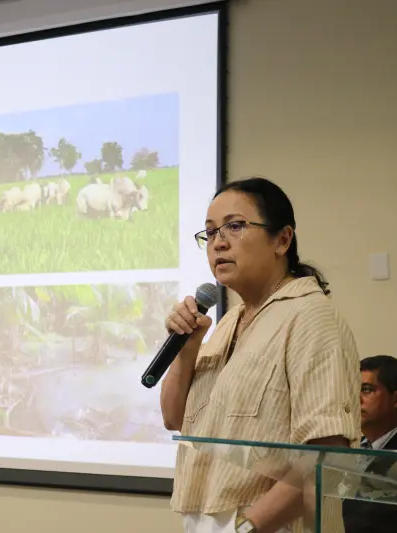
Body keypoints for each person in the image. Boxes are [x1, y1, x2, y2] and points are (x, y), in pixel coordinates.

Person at [160, 177, 362, 533]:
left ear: (282, 239)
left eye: (234, 226)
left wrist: (247, 528)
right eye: (210, 232)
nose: (218, 242)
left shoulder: (310, 316)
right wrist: (186, 350)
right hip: (209, 521)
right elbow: (175, 418)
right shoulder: (227, 322)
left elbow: (329, 457)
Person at [342, 355, 397, 533]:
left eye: (366, 389)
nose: (356, 399)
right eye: (353, 389)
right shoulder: (350, 446)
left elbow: (362, 524)